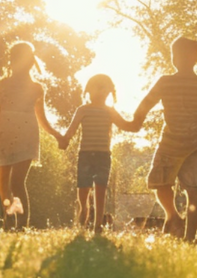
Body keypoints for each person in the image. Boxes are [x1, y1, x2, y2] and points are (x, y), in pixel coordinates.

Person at [131, 36, 197, 241]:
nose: (178, 58)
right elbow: (145, 105)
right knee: (160, 184)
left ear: (196, 57)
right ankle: (173, 216)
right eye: (175, 55)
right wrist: (135, 121)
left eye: (183, 54)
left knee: (194, 191)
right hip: (170, 141)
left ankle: (189, 237)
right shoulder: (165, 82)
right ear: (172, 58)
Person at [0, 41, 62, 230]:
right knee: (3, 183)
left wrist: (56, 135)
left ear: (31, 62)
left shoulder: (37, 88)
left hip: (26, 132)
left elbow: (42, 118)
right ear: (12, 60)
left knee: (17, 182)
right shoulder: (2, 85)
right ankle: (9, 223)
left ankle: (22, 224)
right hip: (4, 132)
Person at [58, 74, 138, 232]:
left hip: (103, 156)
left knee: (100, 191)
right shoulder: (83, 110)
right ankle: (83, 218)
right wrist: (63, 140)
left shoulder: (110, 111)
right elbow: (71, 130)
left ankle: (97, 226)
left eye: (105, 88)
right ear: (88, 90)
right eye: (98, 87)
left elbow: (126, 126)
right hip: (86, 155)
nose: (101, 91)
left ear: (110, 92)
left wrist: (139, 120)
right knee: (83, 191)